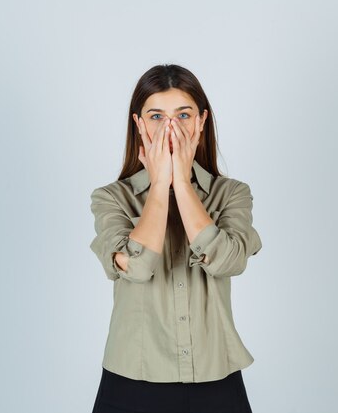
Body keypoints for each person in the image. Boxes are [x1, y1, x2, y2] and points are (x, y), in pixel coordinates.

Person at [88, 64, 263, 413]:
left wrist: (181, 184)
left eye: (183, 114)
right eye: (156, 116)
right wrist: (158, 186)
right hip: (130, 383)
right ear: (138, 125)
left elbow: (229, 260)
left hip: (216, 380)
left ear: (201, 122)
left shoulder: (231, 194)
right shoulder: (111, 198)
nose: (170, 127)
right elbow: (136, 267)